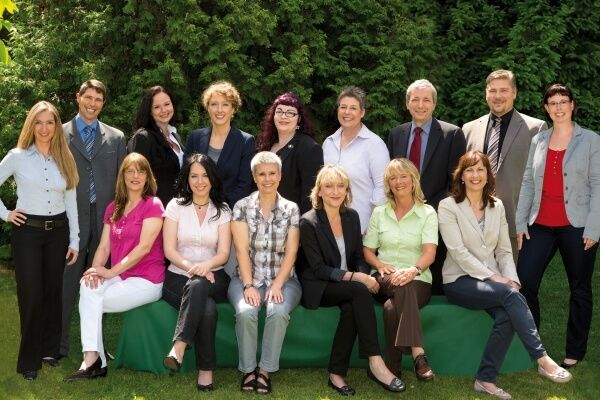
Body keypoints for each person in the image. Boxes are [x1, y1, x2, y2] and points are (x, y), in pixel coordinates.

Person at [438, 150, 571, 399]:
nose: (475, 175)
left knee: (507, 315)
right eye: (469, 170)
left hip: (493, 282)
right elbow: (458, 252)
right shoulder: (448, 206)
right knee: (509, 296)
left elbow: (504, 250)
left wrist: (512, 280)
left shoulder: (496, 206)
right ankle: (542, 359)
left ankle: (485, 379)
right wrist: (495, 278)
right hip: (459, 280)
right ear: (461, 176)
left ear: (488, 175)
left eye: (480, 169)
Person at [299, 165, 405, 396]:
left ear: (347, 190)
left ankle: (336, 374)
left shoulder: (352, 216)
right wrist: (358, 277)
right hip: (320, 286)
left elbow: (358, 256)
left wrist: (361, 274)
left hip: (348, 286)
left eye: (341, 186)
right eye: (329, 186)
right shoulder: (308, 222)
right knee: (359, 291)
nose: (335, 191)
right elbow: (318, 269)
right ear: (319, 191)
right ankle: (376, 361)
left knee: (351, 308)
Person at [515, 83, 600, 370]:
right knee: (525, 282)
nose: (559, 107)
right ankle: (533, 344)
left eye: (564, 101)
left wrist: (594, 227)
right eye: (553, 103)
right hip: (539, 224)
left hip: (577, 226)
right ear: (546, 108)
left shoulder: (591, 140)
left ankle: (575, 350)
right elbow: (528, 181)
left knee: (580, 287)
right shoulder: (539, 139)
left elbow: (599, 185)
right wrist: (520, 222)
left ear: (572, 105)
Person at [65, 153, 165, 381]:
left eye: (141, 171)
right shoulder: (114, 207)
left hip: (148, 279)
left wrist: (109, 272)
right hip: (122, 275)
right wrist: (95, 270)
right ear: (123, 176)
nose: (135, 176)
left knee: (91, 302)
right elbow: (103, 247)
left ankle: (94, 362)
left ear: (147, 176)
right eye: (130, 171)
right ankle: (92, 358)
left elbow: (144, 248)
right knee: (88, 286)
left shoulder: (153, 205)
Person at [0, 101, 79, 380]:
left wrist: (75, 240)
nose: (44, 129)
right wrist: (6, 214)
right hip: (28, 234)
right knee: (31, 294)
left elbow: (71, 201)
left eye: (50, 122)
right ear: (31, 125)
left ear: (57, 126)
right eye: (38, 122)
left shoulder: (65, 157)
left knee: (52, 292)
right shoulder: (18, 156)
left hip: (58, 232)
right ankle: (29, 360)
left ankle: (49, 349)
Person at [61, 79, 126, 359]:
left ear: (103, 103)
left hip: (104, 222)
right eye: (88, 97)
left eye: (98, 99)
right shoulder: (59, 134)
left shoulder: (116, 137)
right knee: (66, 283)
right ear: (78, 98)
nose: (92, 103)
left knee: (98, 283)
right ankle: (58, 344)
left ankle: (96, 346)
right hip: (70, 221)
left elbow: (122, 183)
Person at [228, 152, 301, 394]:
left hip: (284, 279)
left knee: (277, 311)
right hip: (246, 277)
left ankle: (265, 370)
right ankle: (248, 370)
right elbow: (241, 250)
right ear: (254, 177)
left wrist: (277, 285)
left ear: (280, 176)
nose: (267, 179)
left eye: (272, 173)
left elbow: (291, 252)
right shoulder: (241, 207)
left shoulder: (291, 209)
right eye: (262, 174)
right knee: (246, 312)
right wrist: (248, 285)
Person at [387, 79, 465, 294]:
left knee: (435, 273)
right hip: (402, 214)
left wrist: (429, 210)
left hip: (437, 214)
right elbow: (392, 177)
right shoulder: (396, 134)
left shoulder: (452, 134)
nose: (420, 105)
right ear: (407, 104)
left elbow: (456, 183)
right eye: (415, 100)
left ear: (434, 104)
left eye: (426, 100)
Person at [161, 154, 231, 391]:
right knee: (207, 307)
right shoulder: (175, 206)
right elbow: (169, 250)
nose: (200, 181)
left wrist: (205, 267)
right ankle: (206, 370)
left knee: (200, 284)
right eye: (194, 176)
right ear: (187, 179)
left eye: (205, 176)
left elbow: (224, 253)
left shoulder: (223, 210)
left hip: (215, 276)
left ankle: (179, 346)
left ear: (212, 179)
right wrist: (195, 269)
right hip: (177, 276)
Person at [363, 158, 438, 382]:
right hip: (383, 278)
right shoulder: (379, 213)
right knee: (398, 284)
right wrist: (379, 265)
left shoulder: (427, 213)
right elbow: (368, 250)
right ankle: (418, 352)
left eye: (403, 176)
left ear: (413, 180)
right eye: (393, 178)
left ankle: (392, 370)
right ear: (388, 184)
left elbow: (429, 253)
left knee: (390, 308)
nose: (398, 182)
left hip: (418, 279)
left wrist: (413, 270)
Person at [463, 70, 547, 261]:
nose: (498, 96)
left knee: (512, 275)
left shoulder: (535, 128)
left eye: (504, 90)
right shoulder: (469, 129)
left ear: (514, 92)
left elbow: (541, 179)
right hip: (473, 222)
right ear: (486, 93)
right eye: (493, 90)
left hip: (515, 222)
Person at [322, 86, 389, 233]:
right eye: (343, 107)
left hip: (362, 229)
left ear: (362, 112)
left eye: (353, 108)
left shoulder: (374, 144)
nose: (347, 112)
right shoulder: (328, 143)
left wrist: (371, 229)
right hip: (329, 228)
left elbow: (382, 188)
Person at [185, 80, 255, 209]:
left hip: (229, 211)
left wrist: (218, 207)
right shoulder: (195, 137)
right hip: (196, 209)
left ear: (233, 108)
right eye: (214, 104)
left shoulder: (246, 141)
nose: (219, 110)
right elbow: (185, 175)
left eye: (225, 104)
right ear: (208, 107)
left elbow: (244, 185)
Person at [256, 92, 323, 214]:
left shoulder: (309, 148)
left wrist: (301, 223)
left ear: (299, 119)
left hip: (292, 219)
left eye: (290, 113)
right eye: (279, 111)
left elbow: (310, 196)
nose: (283, 116)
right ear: (273, 116)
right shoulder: (265, 145)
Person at [128, 85, 184, 206]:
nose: (164, 110)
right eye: (157, 107)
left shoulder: (175, 136)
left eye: (167, 104)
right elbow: (136, 179)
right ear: (149, 111)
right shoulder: (143, 138)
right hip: (155, 209)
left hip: (177, 209)